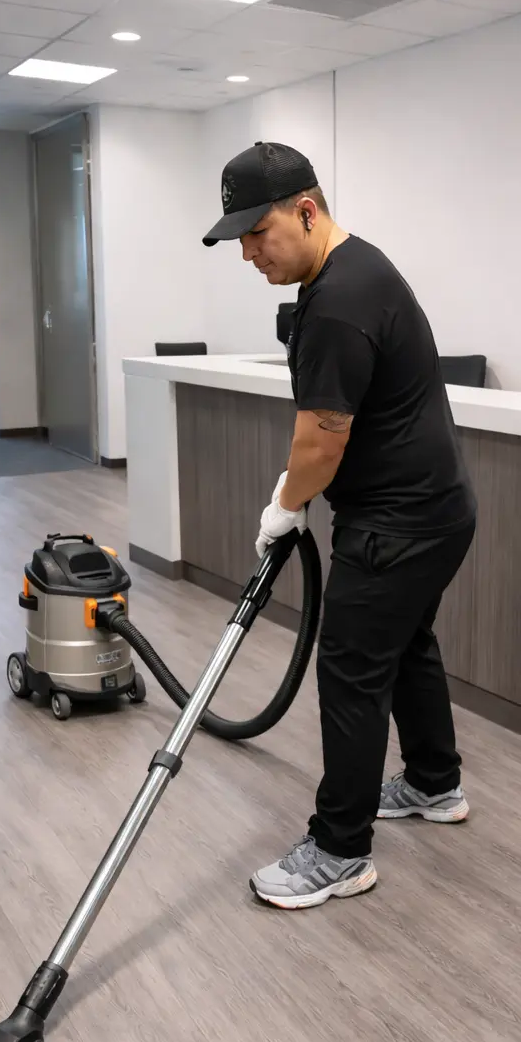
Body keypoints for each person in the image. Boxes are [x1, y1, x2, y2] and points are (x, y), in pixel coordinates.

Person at [203, 141, 476, 910]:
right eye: (239, 239)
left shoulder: (337, 305)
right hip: (438, 510)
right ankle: (434, 783)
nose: (249, 252)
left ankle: (340, 849)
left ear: (307, 210)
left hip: (398, 522)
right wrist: (295, 496)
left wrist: (285, 507)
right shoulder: (359, 269)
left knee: (352, 671)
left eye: (259, 233)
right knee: (407, 645)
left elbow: (322, 441)